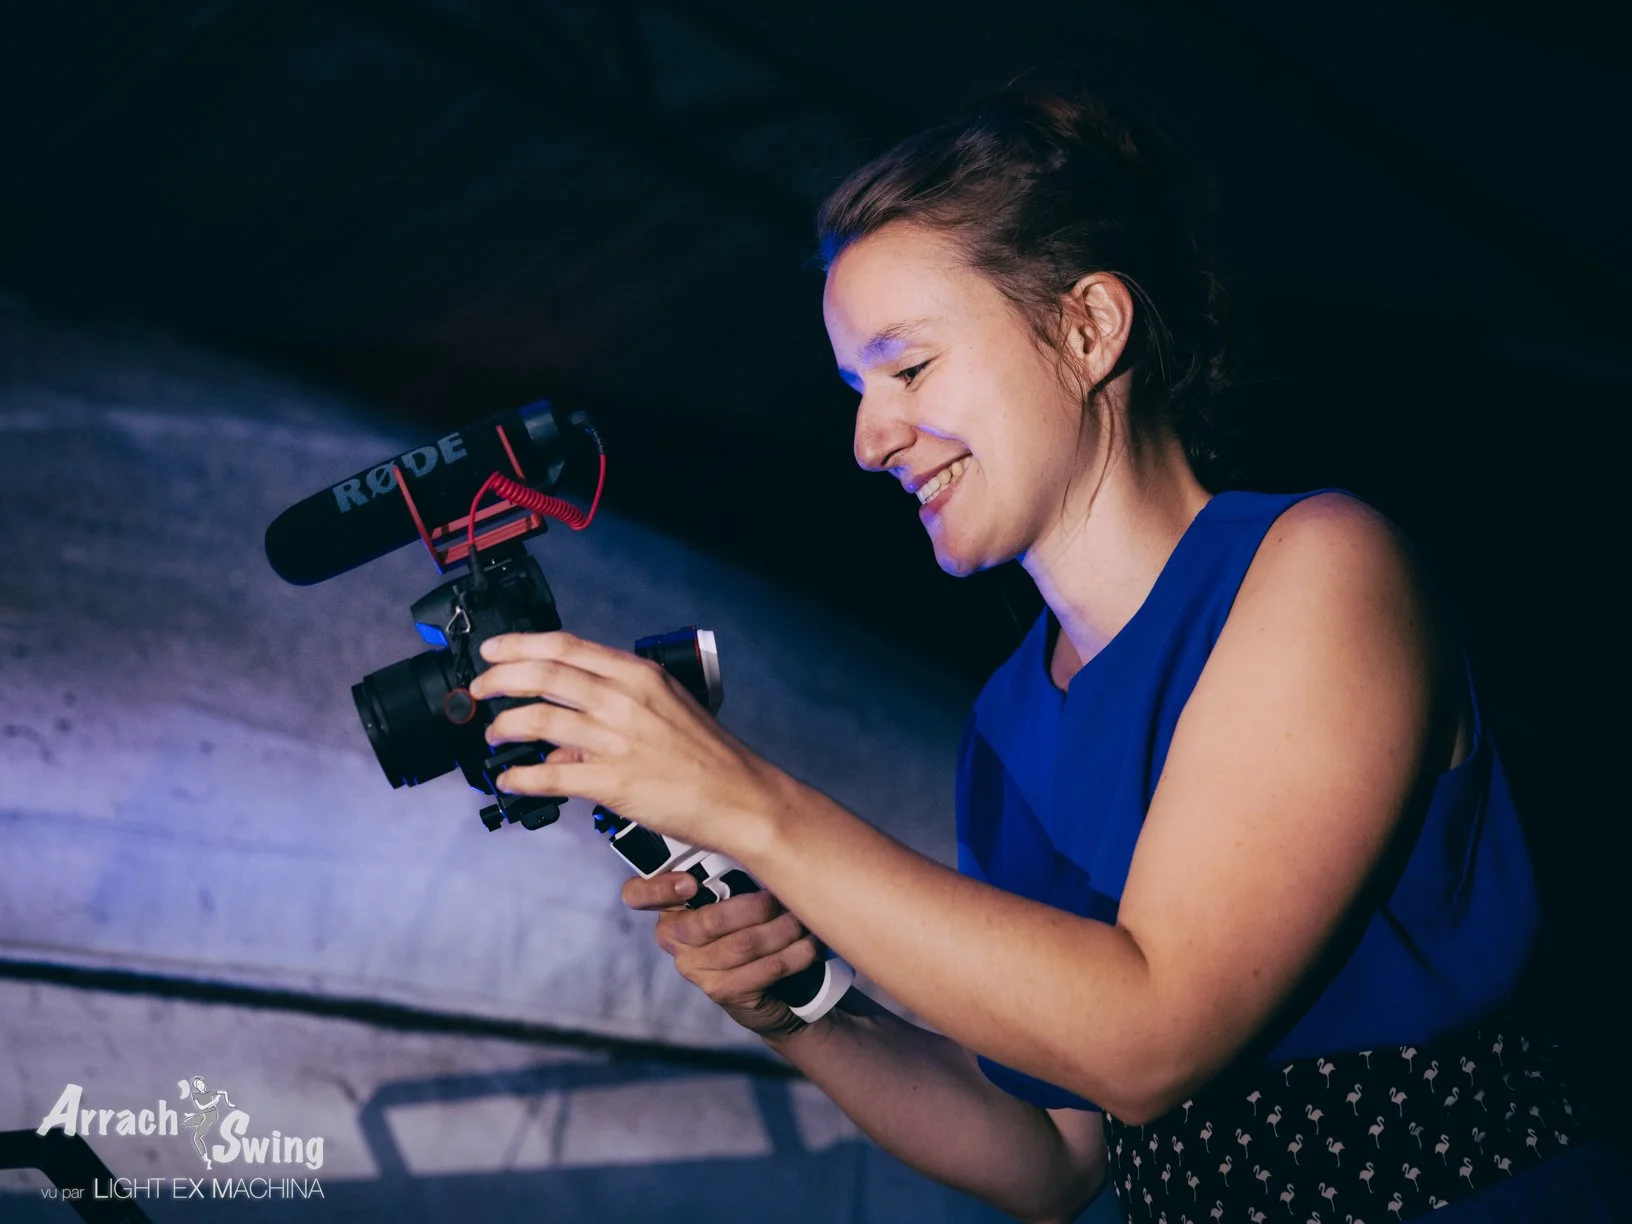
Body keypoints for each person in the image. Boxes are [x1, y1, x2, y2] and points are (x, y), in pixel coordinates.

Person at [466, 89, 1631, 1221]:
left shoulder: (1317, 566)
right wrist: (803, 1015)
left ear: (1088, 328)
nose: (869, 439)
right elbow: (1054, 1158)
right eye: (857, 389)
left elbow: (1152, 1036)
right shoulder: (1011, 719)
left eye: (908, 368)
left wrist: (747, 803)